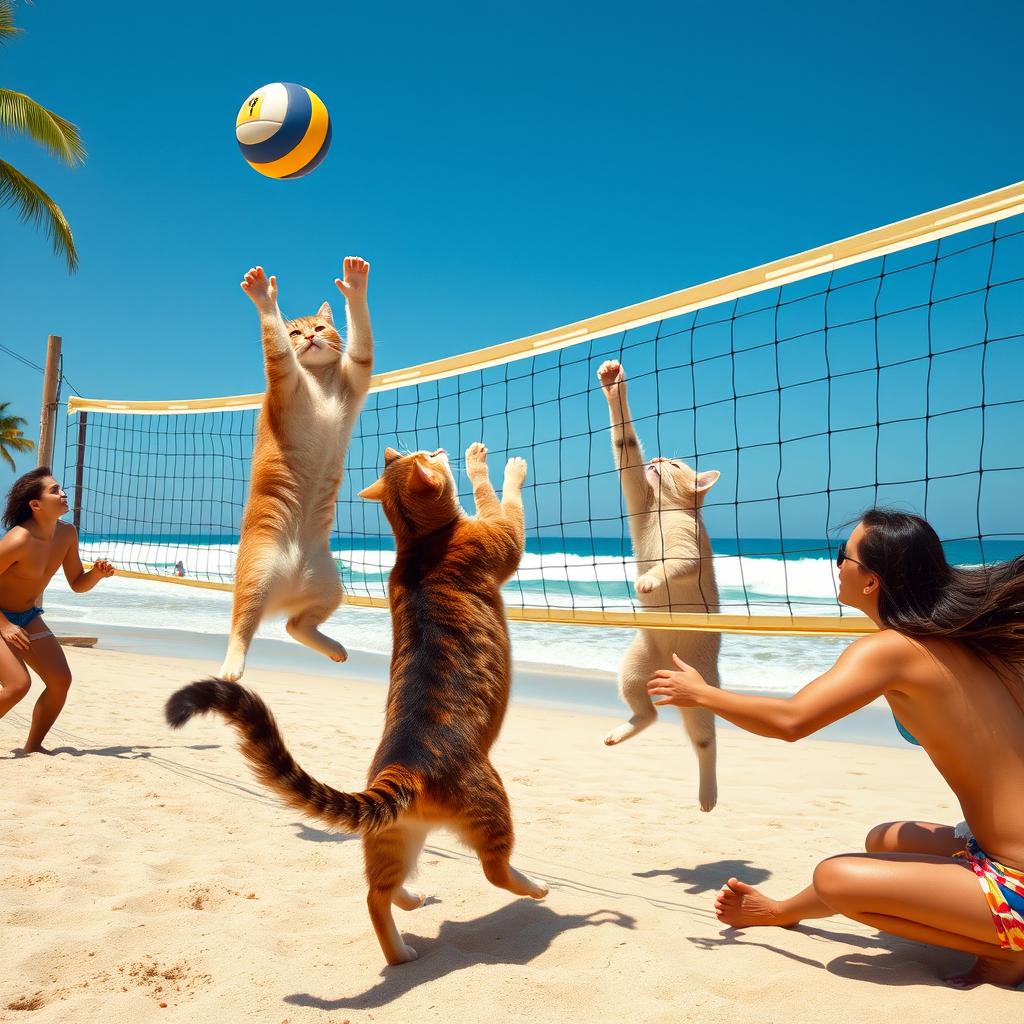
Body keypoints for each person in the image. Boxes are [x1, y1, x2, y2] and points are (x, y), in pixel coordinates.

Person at [645, 508, 1024, 990]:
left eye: (841, 556)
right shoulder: (971, 642)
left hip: (1017, 879)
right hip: (992, 845)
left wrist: (702, 694)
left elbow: (791, 722)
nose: (837, 565)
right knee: (885, 839)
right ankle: (782, 911)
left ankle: (1003, 952)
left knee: (835, 879)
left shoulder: (894, 650)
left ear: (871, 581)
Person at [0, 466, 115, 753]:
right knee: (18, 686)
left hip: (26, 616)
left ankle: (33, 747)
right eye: (54, 490)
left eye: (60, 488)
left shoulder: (67, 534)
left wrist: (97, 574)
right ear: (36, 505)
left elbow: (77, 583)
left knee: (60, 680)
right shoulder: (18, 539)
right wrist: (4, 626)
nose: (63, 493)